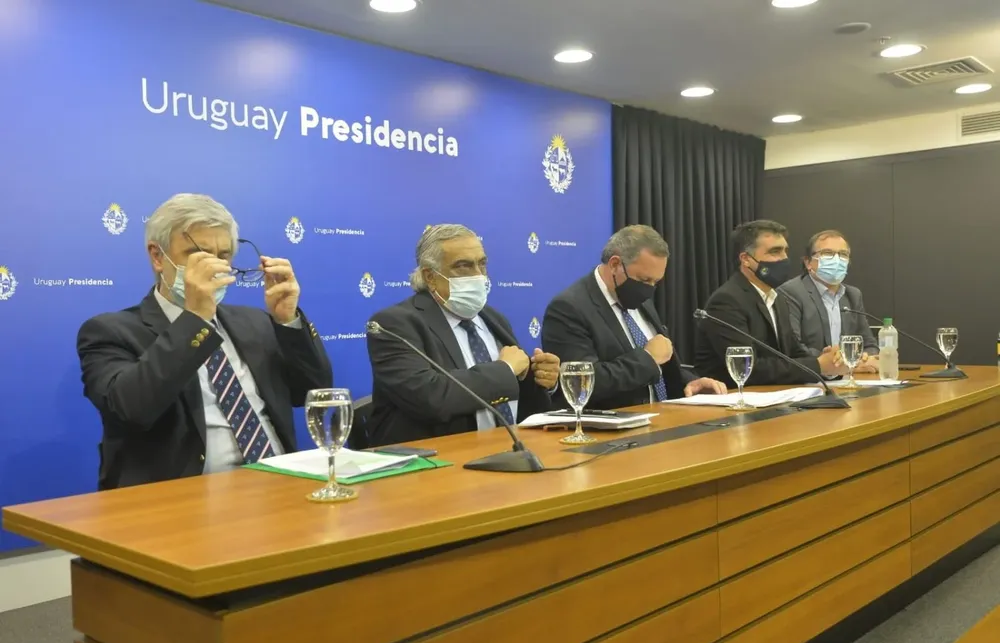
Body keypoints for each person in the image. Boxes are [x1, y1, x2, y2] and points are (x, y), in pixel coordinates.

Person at [77, 194, 332, 489]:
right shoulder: (110, 332)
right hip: (182, 501)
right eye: (198, 255)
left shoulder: (254, 322)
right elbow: (131, 411)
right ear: (158, 257)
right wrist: (195, 321)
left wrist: (287, 322)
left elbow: (314, 393)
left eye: (223, 255)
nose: (215, 267)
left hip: (279, 486)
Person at [366, 224, 559, 446]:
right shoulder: (395, 324)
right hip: (436, 461)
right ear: (430, 277)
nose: (478, 275)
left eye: (482, 264)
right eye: (463, 266)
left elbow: (513, 387)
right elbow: (432, 397)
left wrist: (540, 379)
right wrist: (505, 369)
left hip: (508, 449)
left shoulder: (492, 318)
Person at [542, 225, 726, 409]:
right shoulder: (569, 308)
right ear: (615, 265)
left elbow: (660, 364)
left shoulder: (640, 300)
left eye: (656, 282)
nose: (650, 289)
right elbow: (581, 381)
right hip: (613, 427)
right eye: (645, 280)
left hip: (665, 418)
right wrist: (647, 358)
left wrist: (691, 382)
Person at [694, 220, 845, 386]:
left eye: (785, 251)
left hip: (775, 396)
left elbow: (793, 352)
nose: (784, 258)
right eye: (775, 252)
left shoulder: (777, 298)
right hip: (733, 399)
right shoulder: (726, 301)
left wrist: (828, 362)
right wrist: (817, 366)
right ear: (746, 259)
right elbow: (748, 367)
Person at [779, 230, 879, 372]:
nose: (836, 260)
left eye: (843, 255)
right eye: (828, 253)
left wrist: (863, 359)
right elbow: (794, 348)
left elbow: (869, 345)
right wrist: (842, 364)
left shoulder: (852, 295)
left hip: (849, 380)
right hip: (810, 380)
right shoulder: (791, 292)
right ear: (808, 262)